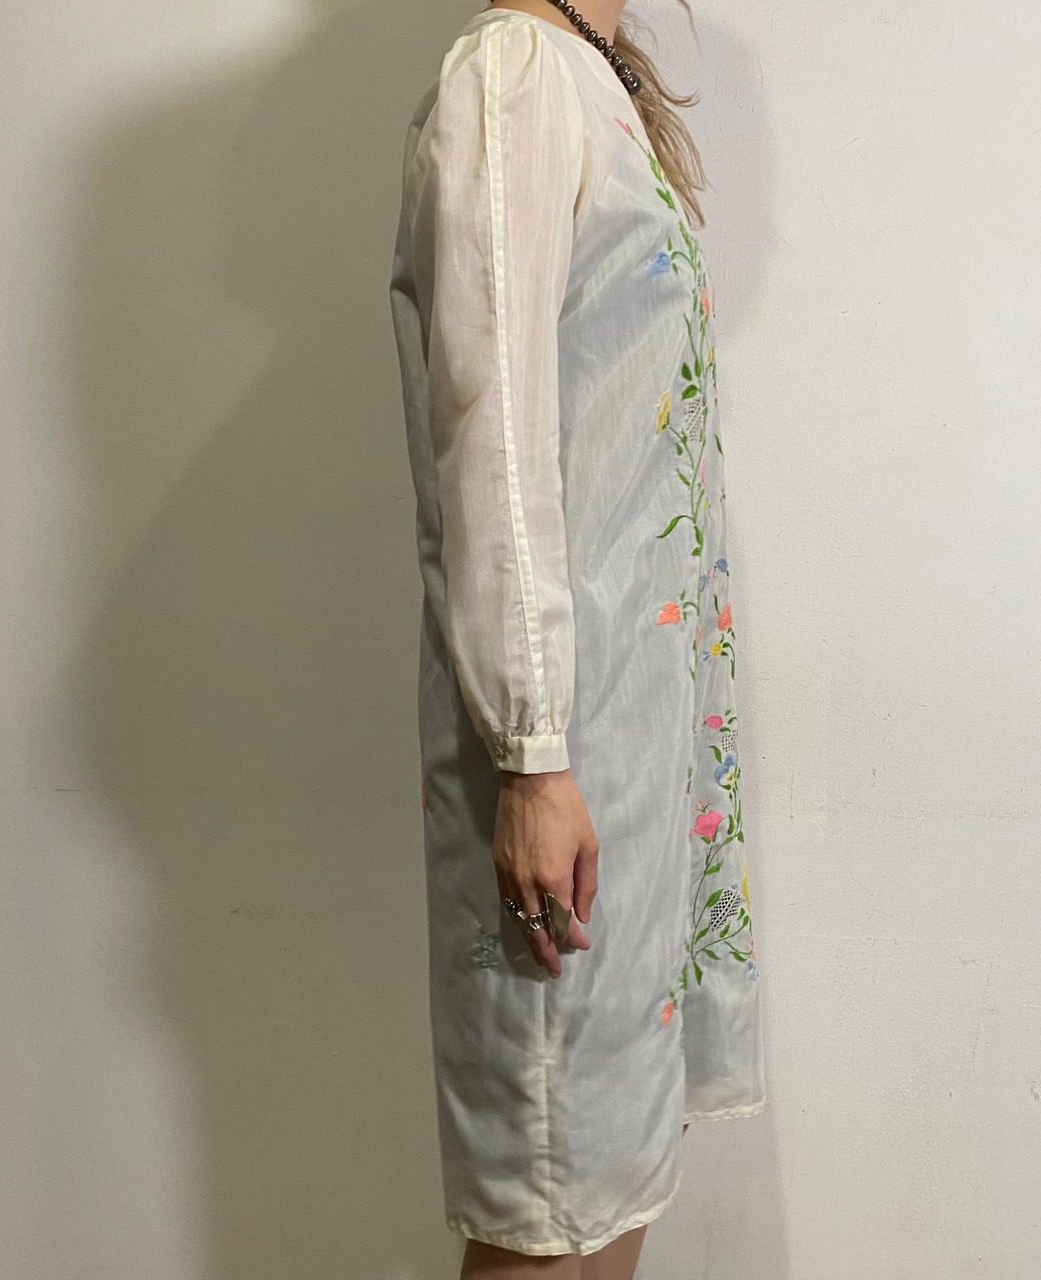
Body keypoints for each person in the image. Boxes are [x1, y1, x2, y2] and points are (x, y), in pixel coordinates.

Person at [389, 2, 765, 1274]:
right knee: (547, 1198)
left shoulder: (590, 83)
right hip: (559, 761)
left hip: (629, 753)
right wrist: (532, 755)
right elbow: (491, 442)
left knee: (604, 1182)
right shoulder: (513, 79)